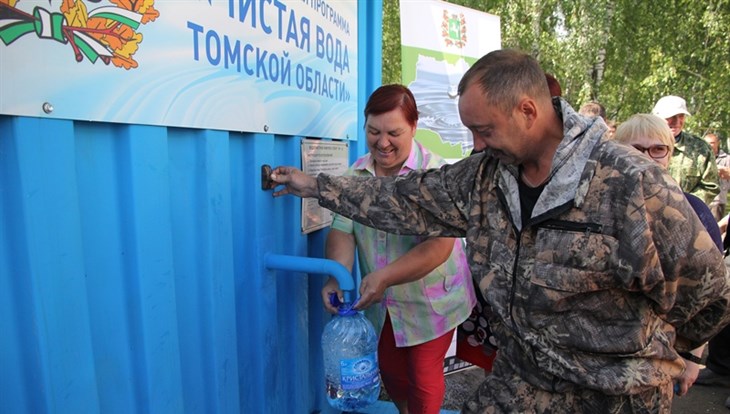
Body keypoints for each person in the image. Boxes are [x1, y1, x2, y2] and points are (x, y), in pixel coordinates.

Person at [269, 49, 730, 413]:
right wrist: (311, 184)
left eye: (484, 129)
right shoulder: (486, 177)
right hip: (520, 385)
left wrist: (671, 355)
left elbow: (708, 296)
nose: (476, 144)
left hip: (610, 398)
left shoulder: (631, 186)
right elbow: (403, 199)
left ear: (527, 110)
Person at [321, 84, 476, 414]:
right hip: (385, 301)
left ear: (414, 127)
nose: (383, 142)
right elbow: (342, 232)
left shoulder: (435, 174)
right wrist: (335, 277)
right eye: (373, 131)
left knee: (423, 373)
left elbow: (438, 248)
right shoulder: (357, 175)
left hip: (433, 299)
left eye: (394, 132)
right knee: (390, 369)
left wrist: (385, 277)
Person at [612, 113, 723, 396]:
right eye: (635, 149)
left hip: (660, 359)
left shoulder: (693, 210)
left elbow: (712, 296)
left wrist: (692, 358)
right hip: (602, 357)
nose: (648, 157)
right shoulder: (599, 207)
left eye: (657, 149)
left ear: (669, 155)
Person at [652, 95, 720, 205]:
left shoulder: (700, 148)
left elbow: (710, 186)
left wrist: (683, 205)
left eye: (681, 116)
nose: (677, 122)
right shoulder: (640, 145)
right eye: (671, 116)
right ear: (656, 117)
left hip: (687, 217)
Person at [703, 132, 730, 220]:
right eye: (706, 143)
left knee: (716, 228)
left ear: (718, 143)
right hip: (702, 199)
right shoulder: (701, 158)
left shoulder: (727, 158)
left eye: (712, 143)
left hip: (718, 200)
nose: (709, 145)